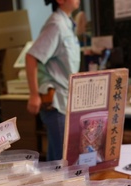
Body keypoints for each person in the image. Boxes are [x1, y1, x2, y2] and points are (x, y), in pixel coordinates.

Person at [25, 0, 82, 161]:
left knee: (56, 161)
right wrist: (34, 94)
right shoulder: (56, 24)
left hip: (66, 102)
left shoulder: (68, 24)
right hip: (56, 103)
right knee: (62, 162)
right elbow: (31, 57)